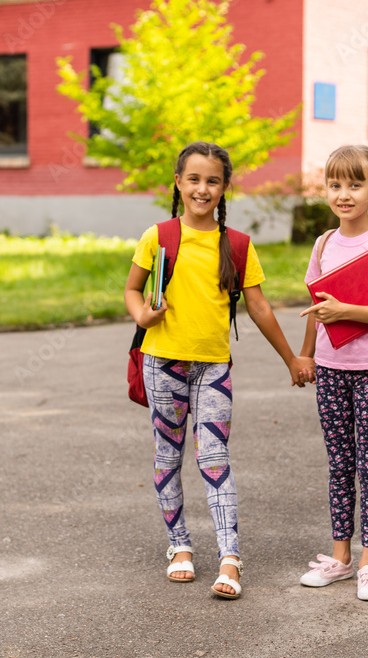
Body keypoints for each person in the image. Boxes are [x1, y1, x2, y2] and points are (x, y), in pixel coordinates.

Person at [125, 141, 310, 600]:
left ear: (225, 187)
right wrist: (143, 316)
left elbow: (261, 307)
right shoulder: (159, 236)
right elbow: (132, 290)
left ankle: (230, 557)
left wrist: (291, 358)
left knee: (214, 457)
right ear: (178, 183)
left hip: (213, 369)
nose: (202, 189)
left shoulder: (239, 245)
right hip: (162, 363)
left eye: (212, 181)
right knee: (168, 456)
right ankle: (179, 546)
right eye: (194, 179)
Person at [296, 145, 368, 601]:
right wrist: (305, 356)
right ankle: (340, 558)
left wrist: (348, 308)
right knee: (339, 464)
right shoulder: (324, 243)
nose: (344, 194)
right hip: (329, 368)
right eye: (335, 184)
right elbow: (315, 307)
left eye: (355, 184)